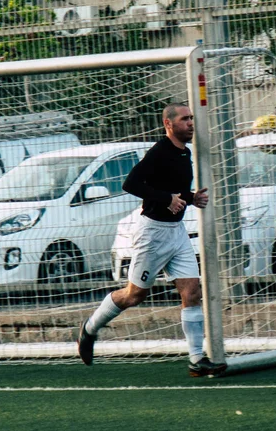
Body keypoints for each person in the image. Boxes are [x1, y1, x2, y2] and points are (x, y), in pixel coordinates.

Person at [77, 103, 227, 378]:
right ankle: (90, 328)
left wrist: (191, 198)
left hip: (176, 232)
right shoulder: (159, 152)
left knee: (192, 291)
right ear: (169, 124)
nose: (191, 123)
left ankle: (196, 360)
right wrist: (166, 198)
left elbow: (173, 188)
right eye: (185, 119)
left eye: (192, 118)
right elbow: (130, 184)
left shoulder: (184, 154)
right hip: (152, 233)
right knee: (134, 296)